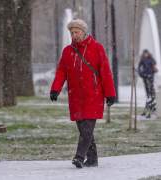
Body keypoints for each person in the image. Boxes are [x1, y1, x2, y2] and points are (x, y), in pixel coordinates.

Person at [50, 19, 116, 168]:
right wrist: (55, 89)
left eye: (76, 32)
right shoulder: (67, 51)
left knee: (87, 127)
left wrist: (110, 93)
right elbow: (62, 71)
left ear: (84, 32)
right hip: (75, 97)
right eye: (72, 33)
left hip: (93, 95)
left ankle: (79, 157)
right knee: (83, 128)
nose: (74, 35)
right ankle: (92, 159)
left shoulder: (97, 48)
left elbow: (105, 71)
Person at [138, 49, 157, 117]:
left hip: (150, 74)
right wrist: (140, 73)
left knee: (151, 86)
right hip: (145, 75)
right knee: (147, 86)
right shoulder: (142, 59)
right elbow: (139, 66)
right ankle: (148, 94)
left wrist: (151, 62)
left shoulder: (150, 58)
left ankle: (151, 95)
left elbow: (155, 63)